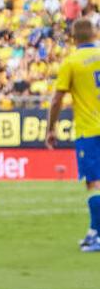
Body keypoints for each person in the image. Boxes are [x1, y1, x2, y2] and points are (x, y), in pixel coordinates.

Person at [46, 18, 100, 252]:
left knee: (94, 183)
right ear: (94, 34)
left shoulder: (71, 62)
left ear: (73, 38)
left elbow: (58, 98)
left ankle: (97, 234)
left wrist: (51, 128)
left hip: (89, 130)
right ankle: (93, 231)